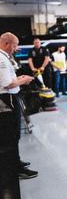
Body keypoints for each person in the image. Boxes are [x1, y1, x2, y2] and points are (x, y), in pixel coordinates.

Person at [0, 32, 38, 180]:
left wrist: (18, 78)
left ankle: (16, 162)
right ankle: (14, 168)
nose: (16, 48)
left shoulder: (4, 57)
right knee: (11, 134)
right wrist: (24, 80)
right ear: (6, 44)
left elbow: (9, 79)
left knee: (14, 134)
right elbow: (7, 84)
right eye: (15, 46)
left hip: (9, 97)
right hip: (7, 100)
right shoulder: (2, 60)